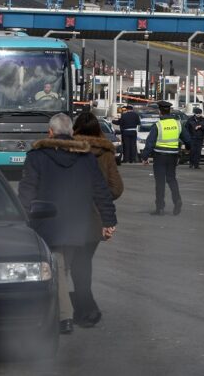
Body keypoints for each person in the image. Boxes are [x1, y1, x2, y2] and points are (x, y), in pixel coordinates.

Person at [18, 113, 117, 335]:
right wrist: (109, 220)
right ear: (71, 132)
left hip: (47, 222)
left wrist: (22, 219)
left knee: (59, 269)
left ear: (50, 132)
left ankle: (64, 318)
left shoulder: (37, 157)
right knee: (64, 268)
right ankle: (65, 313)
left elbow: (27, 190)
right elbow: (101, 190)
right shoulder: (86, 157)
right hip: (79, 224)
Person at [71, 112, 124, 328]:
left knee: (70, 264)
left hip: (69, 215)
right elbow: (116, 188)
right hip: (94, 217)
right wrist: (99, 198)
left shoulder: (67, 150)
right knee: (82, 263)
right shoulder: (105, 152)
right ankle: (85, 307)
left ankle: (85, 308)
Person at [140, 100, 191, 216]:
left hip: (160, 157)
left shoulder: (158, 125)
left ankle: (160, 208)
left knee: (160, 182)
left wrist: (145, 156)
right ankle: (177, 200)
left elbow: (150, 143)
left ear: (160, 111)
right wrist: (188, 147)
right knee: (172, 179)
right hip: (173, 156)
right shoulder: (178, 124)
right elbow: (187, 139)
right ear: (170, 111)